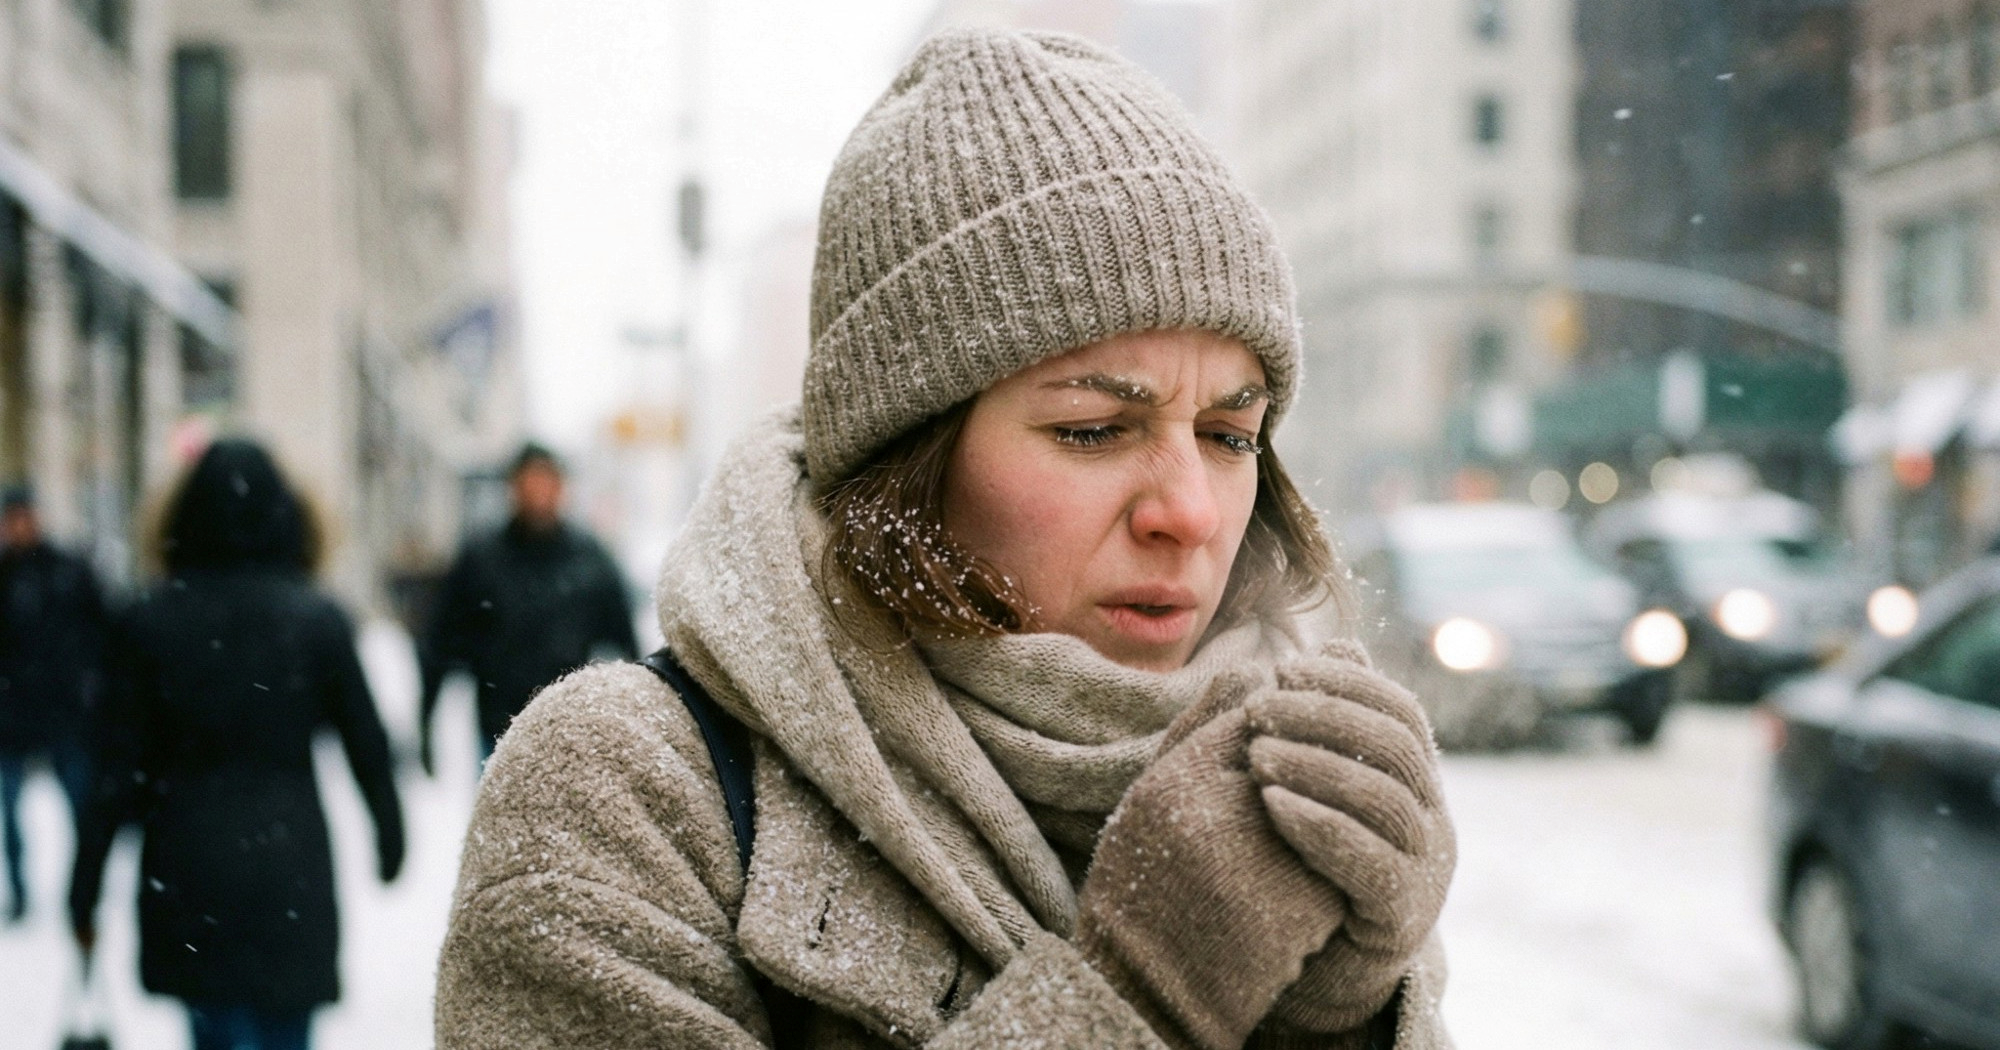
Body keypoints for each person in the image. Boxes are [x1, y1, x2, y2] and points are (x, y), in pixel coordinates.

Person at [436, 29, 1454, 1050]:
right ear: (909, 455)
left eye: (1230, 434)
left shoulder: (1283, 788)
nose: (1189, 512)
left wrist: (1342, 1015)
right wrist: (1140, 990)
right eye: (1092, 430)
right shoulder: (630, 787)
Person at [68, 440, 405, 1050]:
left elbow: (116, 767)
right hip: (289, 862)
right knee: (285, 1031)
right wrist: (388, 828)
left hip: (188, 861)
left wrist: (85, 881)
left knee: (215, 1028)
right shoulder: (316, 618)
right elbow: (366, 739)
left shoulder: (150, 620)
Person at [416, 442, 637, 771]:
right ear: (512, 488)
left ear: (562, 488)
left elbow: (625, 645)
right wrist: (426, 722)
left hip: (569, 730)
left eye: (547, 483)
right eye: (529, 483)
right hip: (497, 729)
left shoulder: (589, 559)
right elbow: (442, 643)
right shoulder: (482, 559)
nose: (538, 494)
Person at [0, 486, 112, 924]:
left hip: (66, 714)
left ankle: (83, 891)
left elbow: (102, 633)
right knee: (10, 815)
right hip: (11, 717)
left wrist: (90, 689)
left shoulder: (68, 571)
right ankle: (21, 892)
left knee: (82, 809)